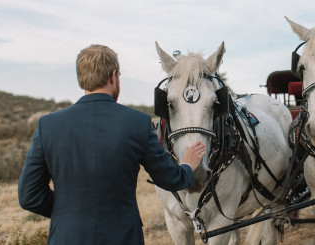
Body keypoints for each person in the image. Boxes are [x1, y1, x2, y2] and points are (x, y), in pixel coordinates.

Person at [18, 44, 206, 244]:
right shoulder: (136, 122)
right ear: (113, 76)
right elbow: (170, 178)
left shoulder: (48, 125)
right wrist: (187, 165)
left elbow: (29, 195)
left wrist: (67, 213)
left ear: (81, 79)